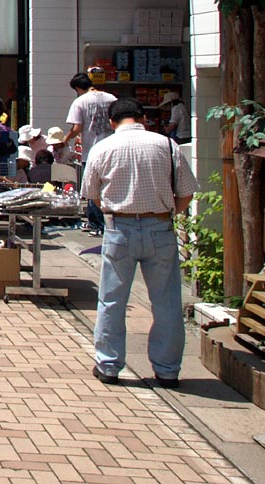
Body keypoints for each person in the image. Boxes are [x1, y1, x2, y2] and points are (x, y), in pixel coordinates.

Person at [84, 98, 196, 387]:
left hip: (119, 227)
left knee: (112, 299)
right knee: (167, 301)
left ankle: (109, 365)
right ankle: (168, 370)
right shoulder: (166, 145)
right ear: (142, 117)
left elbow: (93, 194)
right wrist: (164, 212)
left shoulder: (103, 147)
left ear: (112, 121)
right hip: (160, 225)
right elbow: (185, 194)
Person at [67, 72, 118, 235]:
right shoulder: (111, 98)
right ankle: (107, 222)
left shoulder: (80, 101)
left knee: (91, 187)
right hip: (112, 148)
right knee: (109, 186)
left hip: (92, 151)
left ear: (77, 88)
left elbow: (77, 128)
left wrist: (65, 139)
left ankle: (96, 223)